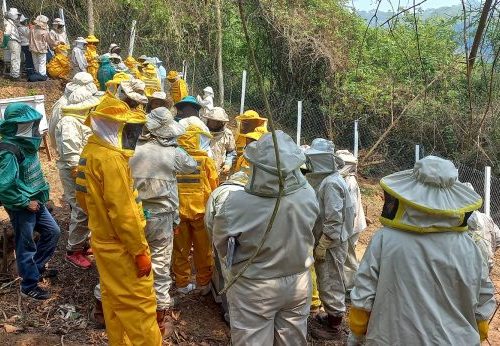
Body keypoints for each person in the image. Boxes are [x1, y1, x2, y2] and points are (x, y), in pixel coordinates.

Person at [348, 156, 496, 346]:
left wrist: (357, 333)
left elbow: (363, 294)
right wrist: (479, 333)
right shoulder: (470, 248)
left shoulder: (384, 240)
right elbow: (483, 305)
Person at [211, 131, 319, 344]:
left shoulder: (235, 202)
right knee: (292, 340)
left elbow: (221, 244)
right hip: (298, 282)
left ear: (256, 166)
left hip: (255, 286)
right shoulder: (307, 193)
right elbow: (313, 230)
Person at [75, 89, 162, 345]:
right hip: (122, 247)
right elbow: (123, 214)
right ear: (115, 126)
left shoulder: (91, 149)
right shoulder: (111, 159)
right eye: (129, 129)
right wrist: (139, 251)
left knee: (114, 302)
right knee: (139, 306)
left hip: (101, 241)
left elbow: (84, 198)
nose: (133, 136)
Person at [130, 107, 197, 336]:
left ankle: (104, 307)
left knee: (126, 260)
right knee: (159, 262)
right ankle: (160, 315)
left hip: (132, 213)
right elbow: (191, 165)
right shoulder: (173, 153)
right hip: (160, 216)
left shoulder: (130, 147)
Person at [0, 103, 61, 300]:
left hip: (36, 201)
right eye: (27, 124)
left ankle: (35, 268)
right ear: (16, 126)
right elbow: (4, 185)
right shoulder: (9, 151)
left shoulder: (27, 144)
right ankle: (28, 285)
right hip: (22, 205)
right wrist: (25, 201)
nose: (33, 128)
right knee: (26, 244)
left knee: (53, 232)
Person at [304, 138, 355, 340]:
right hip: (331, 241)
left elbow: (334, 219)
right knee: (330, 279)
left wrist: (323, 244)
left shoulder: (331, 183)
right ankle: (332, 315)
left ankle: (334, 327)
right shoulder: (330, 180)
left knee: (330, 281)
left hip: (331, 243)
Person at [55, 77, 99, 270]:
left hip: (82, 169)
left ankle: (82, 243)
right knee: (80, 208)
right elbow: (71, 155)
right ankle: (73, 250)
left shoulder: (79, 121)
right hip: (74, 171)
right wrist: (81, 175)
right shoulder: (69, 123)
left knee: (86, 208)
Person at [173, 124, 218, 295]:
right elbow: (214, 187)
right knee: (203, 250)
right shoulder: (206, 160)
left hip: (179, 213)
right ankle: (203, 283)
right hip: (201, 214)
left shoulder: (175, 158)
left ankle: (182, 283)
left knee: (180, 250)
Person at [205, 170, 249, 323]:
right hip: (244, 243)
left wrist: (214, 241)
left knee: (224, 275)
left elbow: (208, 221)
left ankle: (229, 313)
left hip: (222, 240)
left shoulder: (217, 192)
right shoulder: (248, 193)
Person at [336, 149, 367, 293]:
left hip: (351, 226)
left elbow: (352, 210)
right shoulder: (344, 179)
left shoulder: (350, 180)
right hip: (350, 225)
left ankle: (351, 288)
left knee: (349, 258)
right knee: (347, 256)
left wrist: (344, 229)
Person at [200, 107, 236, 175]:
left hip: (220, 172)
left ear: (223, 122)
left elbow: (231, 152)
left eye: (218, 121)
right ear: (208, 120)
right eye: (213, 120)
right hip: (204, 171)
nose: (215, 123)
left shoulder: (227, 134)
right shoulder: (201, 133)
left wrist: (228, 164)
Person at [3, 8, 22, 80]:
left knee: (15, 58)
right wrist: (4, 44)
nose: (17, 16)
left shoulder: (11, 22)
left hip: (14, 41)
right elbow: (6, 34)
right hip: (13, 41)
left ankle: (12, 74)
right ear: (13, 15)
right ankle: (15, 76)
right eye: (17, 14)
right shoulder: (8, 22)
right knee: (16, 58)